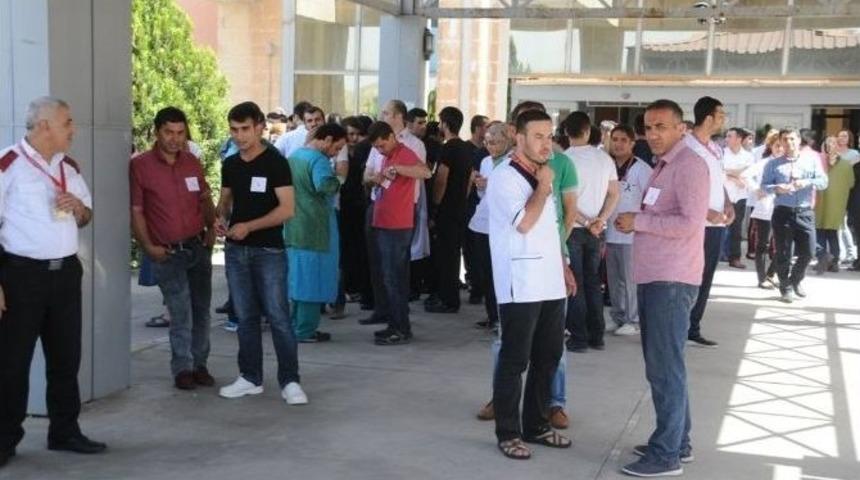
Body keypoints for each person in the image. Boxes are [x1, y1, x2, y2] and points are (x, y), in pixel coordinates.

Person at [0, 97, 105, 466]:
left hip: (64, 276)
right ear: (44, 125)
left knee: (66, 358)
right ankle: (5, 438)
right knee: (12, 362)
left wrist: (79, 208)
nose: (73, 129)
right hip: (20, 277)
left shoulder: (70, 167)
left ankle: (64, 430)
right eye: (67, 122)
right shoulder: (8, 165)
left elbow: (87, 215)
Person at [614, 99, 710, 478]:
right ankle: (677, 442)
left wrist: (638, 221)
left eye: (661, 127)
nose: (652, 134)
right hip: (658, 276)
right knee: (667, 367)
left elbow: (689, 223)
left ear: (680, 128)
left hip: (672, 280)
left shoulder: (689, 165)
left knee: (665, 370)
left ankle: (666, 454)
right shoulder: (667, 163)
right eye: (648, 127)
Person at [487, 109, 576, 460]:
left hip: (550, 279)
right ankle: (508, 432)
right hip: (520, 282)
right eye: (538, 136)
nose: (546, 143)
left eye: (549, 136)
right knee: (515, 359)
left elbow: (549, 227)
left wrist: (564, 265)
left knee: (549, 355)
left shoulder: (544, 173)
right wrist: (542, 186)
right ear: (517, 135)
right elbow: (525, 223)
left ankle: (537, 424)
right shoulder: (505, 177)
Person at [215, 101, 308, 405]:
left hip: (268, 251)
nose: (239, 136)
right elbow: (226, 201)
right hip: (236, 251)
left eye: (245, 129)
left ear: (259, 128)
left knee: (279, 316)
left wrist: (249, 227)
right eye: (234, 129)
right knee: (245, 316)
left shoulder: (276, 163)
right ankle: (250, 377)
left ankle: (290, 380)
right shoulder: (230, 164)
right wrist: (220, 218)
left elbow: (287, 209)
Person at [130, 107, 216, 390]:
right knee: (180, 312)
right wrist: (148, 246)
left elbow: (204, 198)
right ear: (157, 132)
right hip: (166, 252)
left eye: (180, 133)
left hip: (197, 246)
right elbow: (137, 210)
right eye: (169, 132)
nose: (175, 139)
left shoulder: (192, 162)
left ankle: (200, 364)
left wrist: (212, 229)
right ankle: (183, 368)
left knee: (202, 309)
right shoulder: (141, 165)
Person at [360, 100, 427, 327]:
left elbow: (425, 172)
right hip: (382, 215)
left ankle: (399, 325)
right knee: (384, 271)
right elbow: (368, 174)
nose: (379, 150)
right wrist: (375, 178)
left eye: (387, 112)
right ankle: (388, 316)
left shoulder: (408, 149)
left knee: (395, 274)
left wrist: (398, 170)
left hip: (399, 221)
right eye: (376, 148)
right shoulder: (385, 153)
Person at [562, 111, 620, 352]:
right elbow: (615, 193)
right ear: (588, 131)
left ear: (566, 132)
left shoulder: (563, 160)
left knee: (575, 284)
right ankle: (597, 336)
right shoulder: (604, 159)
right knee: (593, 282)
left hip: (573, 229)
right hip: (597, 231)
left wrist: (587, 222)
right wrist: (600, 220)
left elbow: (564, 203)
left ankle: (579, 337)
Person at [285, 123, 348, 343]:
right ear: (328, 139)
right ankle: (306, 330)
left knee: (297, 280)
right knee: (314, 281)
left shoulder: (295, 156)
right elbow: (325, 185)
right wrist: (338, 179)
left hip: (293, 226)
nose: (336, 153)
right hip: (316, 228)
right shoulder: (318, 161)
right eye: (337, 147)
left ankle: (295, 326)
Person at [683, 96, 734, 349]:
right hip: (694, 225)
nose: (724, 120)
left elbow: (718, 181)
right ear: (708, 118)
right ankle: (680, 327)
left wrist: (727, 202)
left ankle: (693, 327)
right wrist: (705, 211)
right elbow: (681, 189)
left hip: (716, 225)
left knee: (706, 277)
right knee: (688, 278)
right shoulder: (686, 147)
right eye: (721, 115)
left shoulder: (715, 147)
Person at [761, 128, 828, 303]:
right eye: (785, 139)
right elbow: (764, 186)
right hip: (783, 211)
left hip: (805, 211)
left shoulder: (811, 160)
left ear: (798, 140)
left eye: (792, 139)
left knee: (809, 251)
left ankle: (796, 279)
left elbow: (823, 182)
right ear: (780, 142)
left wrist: (806, 182)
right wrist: (776, 188)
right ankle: (786, 287)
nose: (789, 143)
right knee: (783, 253)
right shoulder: (773, 164)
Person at [605, 124, 653, 336]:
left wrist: (639, 220)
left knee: (630, 279)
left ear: (633, 143)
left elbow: (651, 201)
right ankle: (618, 316)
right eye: (615, 139)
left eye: (624, 140)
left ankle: (633, 320)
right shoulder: (607, 166)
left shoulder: (642, 169)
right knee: (613, 279)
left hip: (632, 234)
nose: (618, 144)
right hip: (609, 232)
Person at [426, 106, 473, 314]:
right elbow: (470, 179)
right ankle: (449, 297)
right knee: (453, 254)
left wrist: (435, 206)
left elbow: (441, 179)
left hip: (446, 209)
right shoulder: (466, 148)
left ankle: (448, 299)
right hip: (460, 207)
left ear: (445, 124)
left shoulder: (448, 148)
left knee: (445, 255)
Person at [468, 121, 512, 330]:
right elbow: (483, 195)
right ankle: (492, 315)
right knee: (485, 271)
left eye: (495, 142)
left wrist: (490, 185)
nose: (491, 146)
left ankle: (504, 317)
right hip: (483, 222)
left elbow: (509, 192)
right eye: (487, 142)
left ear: (507, 140)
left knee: (501, 272)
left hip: (503, 225)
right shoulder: (485, 161)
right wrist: (479, 185)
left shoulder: (513, 162)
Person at [743, 135, 782, 288]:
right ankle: (762, 278)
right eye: (776, 145)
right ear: (770, 146)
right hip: (765, 208)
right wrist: (756, 189)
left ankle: (771, 273)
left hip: (783, 208)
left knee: (783, 245)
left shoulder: (790, 163)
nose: (780, 148)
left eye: (782, 145)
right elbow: (745, 175)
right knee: (763, 245)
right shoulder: (764, 163)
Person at [815, 137, 855, 273]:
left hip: (820, 203)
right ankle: (834, 261)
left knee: (819, 232)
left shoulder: (819, 162)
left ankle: (822, 258)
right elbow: (851, 183)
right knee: (833, 234)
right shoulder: (846, 165)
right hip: (837, 205)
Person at [722, 127, 755, 269]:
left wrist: (729, 173)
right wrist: (736, 174)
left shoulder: (748, 156)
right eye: (726, 136)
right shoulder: (721, 153)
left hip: (740, 196)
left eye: (730, 136)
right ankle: (719, 254)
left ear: (739, 139)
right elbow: (720, 171)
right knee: (719, 226)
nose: (726, 139)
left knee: (736, 229)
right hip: (723, 195)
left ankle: (734, 258)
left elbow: (747, 174)